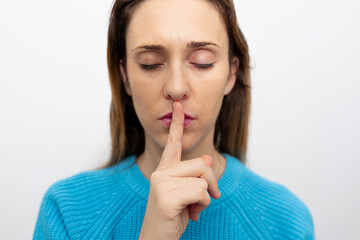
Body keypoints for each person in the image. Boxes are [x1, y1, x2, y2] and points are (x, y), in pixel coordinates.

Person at [33, 0, 315, 239]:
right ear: (125, 77)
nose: (176, 87)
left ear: (231, 74)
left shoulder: (286, 221)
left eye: (202, 61)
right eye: (150, 63)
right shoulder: (67, 212)